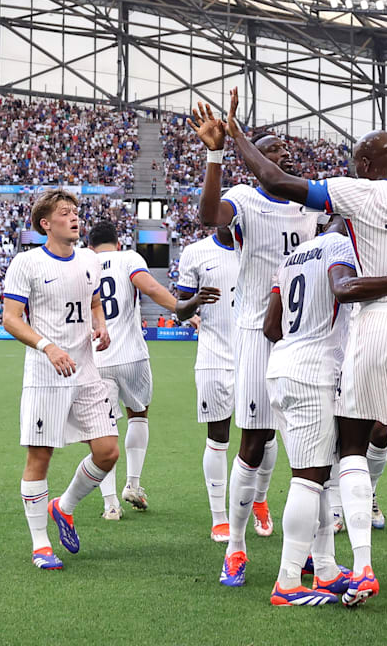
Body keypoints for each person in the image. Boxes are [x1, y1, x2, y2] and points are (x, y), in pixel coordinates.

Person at [215, 98, 387, 618]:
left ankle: (358, 564)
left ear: (361, 167)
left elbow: (276, 182)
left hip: (370, 327)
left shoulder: (353, 200)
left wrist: (238, 139)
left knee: (348, 456)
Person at [259, 220, 387, 606]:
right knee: (310, 478)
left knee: (317, 474)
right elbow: (344, 288)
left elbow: (271, 326)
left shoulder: (291, 257)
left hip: (282, 368)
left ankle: (325, 569)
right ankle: (287, 582)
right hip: (314, 373)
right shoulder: (339, 245)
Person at [191, 91, 323, 569]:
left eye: (289, 151)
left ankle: (309, 550)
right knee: (253, 441)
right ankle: (236, 545)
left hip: (306, 337)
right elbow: (209, 217)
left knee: (310, 446)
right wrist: (214, 154)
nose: (286, 154)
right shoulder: (244, 199)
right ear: (257, 159)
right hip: (255, 334)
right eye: (276, 150)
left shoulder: (310, 204)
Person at [0, 190, 117, 571]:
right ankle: (40, 545)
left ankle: (63, 508)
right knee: (40, 456)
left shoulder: (88, 260)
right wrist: (48, 347)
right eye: (64, 213)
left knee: (107, 451)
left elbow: (94, 301)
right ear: (45, 224)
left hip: (85, 370)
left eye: (76, 212)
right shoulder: (26, 263)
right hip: (47, 374)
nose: (74, 218)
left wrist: (99, 325)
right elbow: (11, 319)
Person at [87, 219, 214, 520]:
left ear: (90, 246)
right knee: (138, 415)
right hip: (131, 356)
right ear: (118, 243)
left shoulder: (83, 264)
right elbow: (152, 288)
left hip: (97, 357)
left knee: (103, 431)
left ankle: (110, 506)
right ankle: (133, 484)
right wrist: (184, 312)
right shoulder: (129, 258)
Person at [174, 226, 235, 541]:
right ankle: (219, 517)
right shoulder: (196, 252)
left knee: (264, 438)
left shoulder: (261, 244)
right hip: (214, 356)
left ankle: (261, 501)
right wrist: (196, 300)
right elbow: (180, 311)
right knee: (218, 436)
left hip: (255, 354)